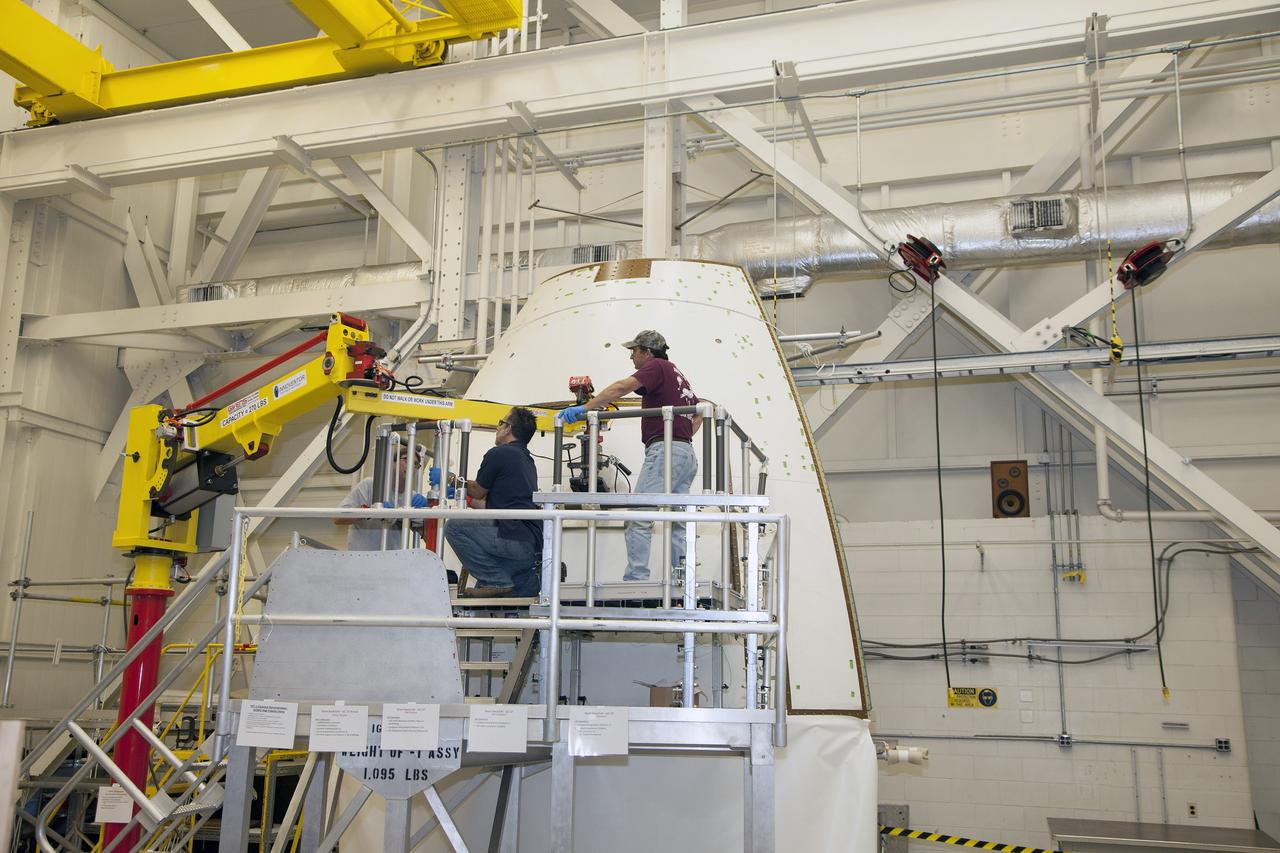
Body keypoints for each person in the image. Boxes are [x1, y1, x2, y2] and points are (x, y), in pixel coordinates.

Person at [557, 330, 700, 581]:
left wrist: (586, 408)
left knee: (637, 516)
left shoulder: (656, 365)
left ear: (647, 351)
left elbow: (623, 386)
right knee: (678, 520)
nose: (631, 357)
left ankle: (636, 580)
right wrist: (681, 436)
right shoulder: (676, 374)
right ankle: (681, 579)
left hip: (665, 451)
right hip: (685, 453)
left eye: (633, 351)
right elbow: (699, 413)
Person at [444, 407, 542, 596]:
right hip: (528, 544)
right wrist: (467, 498)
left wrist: (451, 480)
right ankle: (497, 581)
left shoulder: (500, 453)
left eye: (500, 423)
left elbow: (478, 491)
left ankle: (496, 581)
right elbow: (496, 505)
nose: (497, 428)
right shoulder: (526, 460)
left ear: (508, 428)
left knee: (453, 527)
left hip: (511, 538)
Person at [334, 445, 429, 550]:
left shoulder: (412, 498)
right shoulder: (370, 485)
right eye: (406, 460)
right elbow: (338, 517)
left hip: (391, 561)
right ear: (393, 463)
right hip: (361, 559)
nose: (411, 466)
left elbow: (427, 537)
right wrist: (370, 512)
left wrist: (427, 516)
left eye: (416, 464)